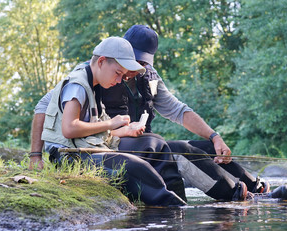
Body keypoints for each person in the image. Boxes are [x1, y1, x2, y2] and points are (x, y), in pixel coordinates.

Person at [30, 26, 287, 201]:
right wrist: (35, 155)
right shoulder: (94, 73)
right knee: (173, 149)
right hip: (114, 144)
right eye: (133, 60)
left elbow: (179, 111)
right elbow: (45, 107)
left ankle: (258, 189)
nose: (137, 68)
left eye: (143, 62)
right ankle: (237, 196)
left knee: (200, 146)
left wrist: (215, 136)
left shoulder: (150, 78)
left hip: (140, 143)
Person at [39, 36, 187, 206]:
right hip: (68, 157)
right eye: (117, 73)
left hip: (88, 146)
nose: (119, 81)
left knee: (155, 144)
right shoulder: (77, 85)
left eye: (122, 76)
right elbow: (69, 129)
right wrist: (111, 123)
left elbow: (92, 131)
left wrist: (124, 131)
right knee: (131, 166)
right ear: (101, 61)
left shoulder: (96, 85)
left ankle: (181, 204)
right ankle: (173, 209)